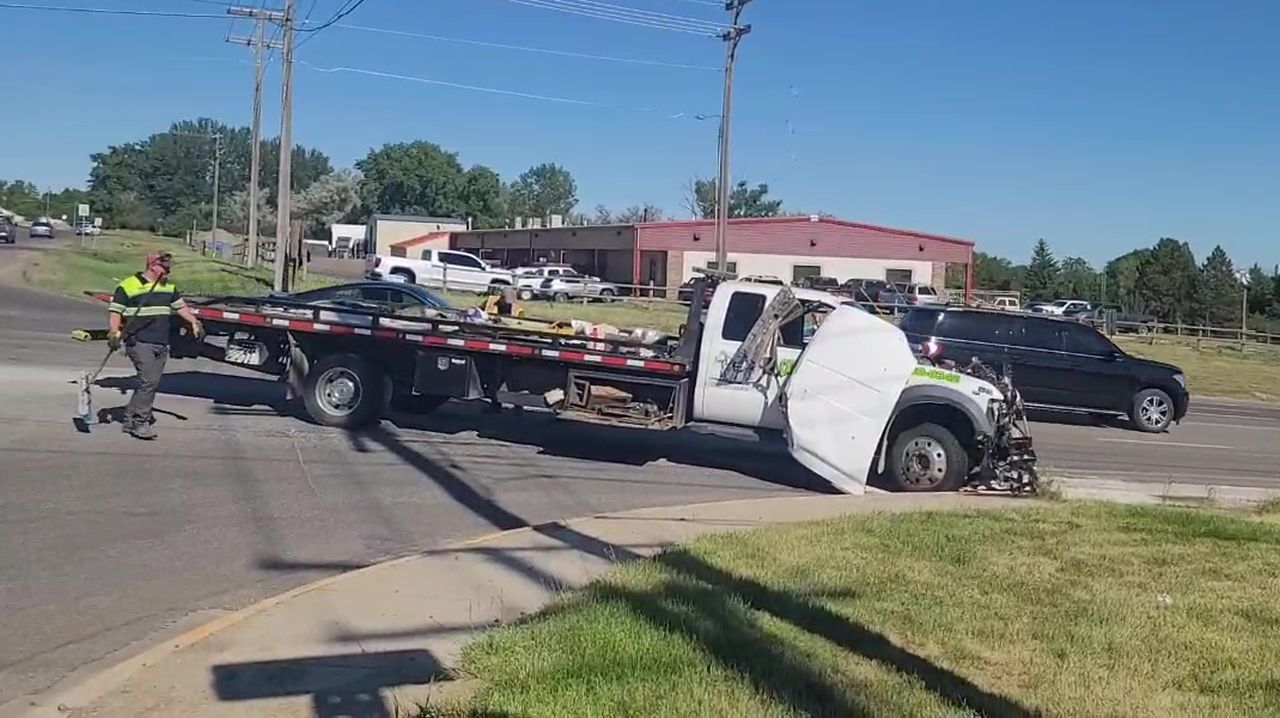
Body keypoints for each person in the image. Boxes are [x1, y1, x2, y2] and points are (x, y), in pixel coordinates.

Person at [106, 252, 204, 440]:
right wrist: (114, 332)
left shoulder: (168, 287)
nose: (168, 271)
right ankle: (140, 422)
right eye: (165, 268)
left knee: (150, 383)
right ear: (152, 266)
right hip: (139, 341)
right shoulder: (128, 285)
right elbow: (115, 311)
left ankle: (129, 419)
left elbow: (180, 306)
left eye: (169, 268)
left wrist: (193, 321)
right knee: (148, 381)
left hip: (161, 342)